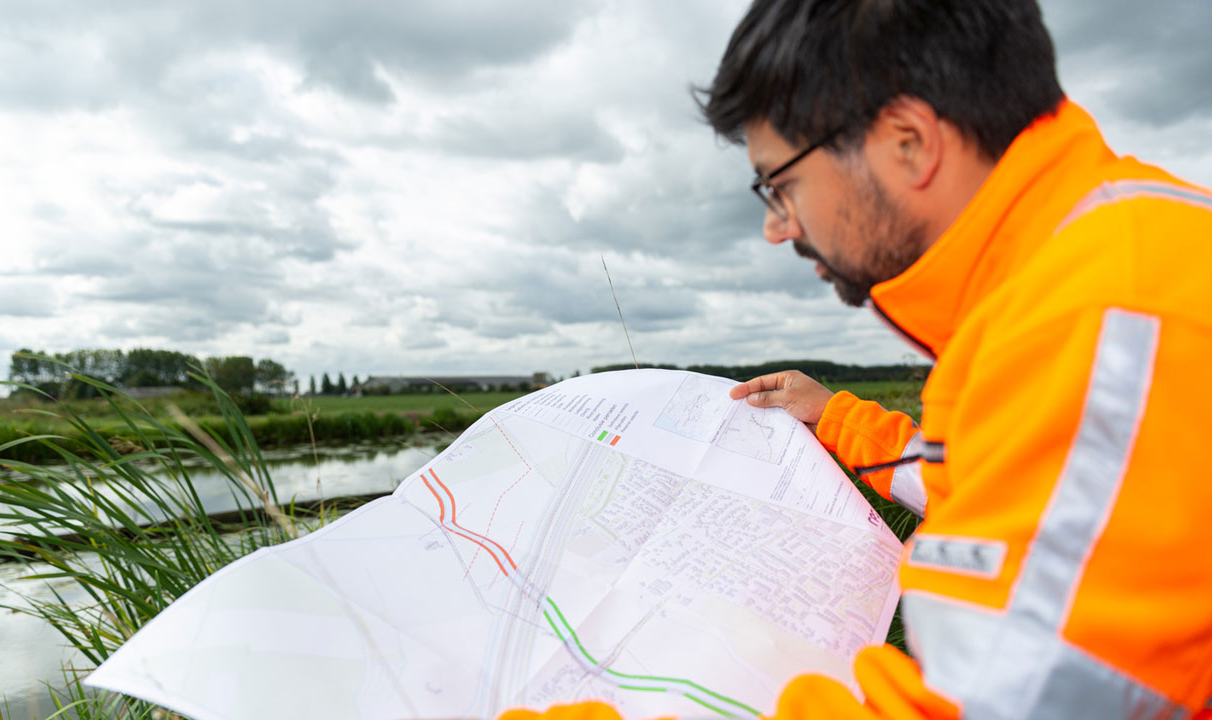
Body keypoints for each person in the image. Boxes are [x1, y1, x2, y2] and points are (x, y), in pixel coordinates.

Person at [503, 0, 1212, 717]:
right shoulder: (1087, 265)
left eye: (780, 185)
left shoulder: (1103, 324)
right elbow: (995, 486)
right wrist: (836, 418)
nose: (776, 228)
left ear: (908, 141)